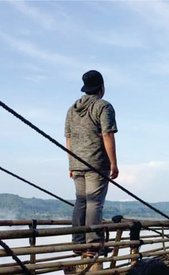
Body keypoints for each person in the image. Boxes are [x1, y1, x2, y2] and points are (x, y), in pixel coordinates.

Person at [65, 70, 119, 247]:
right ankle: (93, 245)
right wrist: (113, 164)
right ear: (101, 87)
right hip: (96, 162)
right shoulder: (103, 106)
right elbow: (107, 135)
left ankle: (78, 242)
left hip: (76, 162)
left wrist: (71, 163)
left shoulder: (72, 109)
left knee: (81, 201)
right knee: (94, 203)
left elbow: (69, 138)